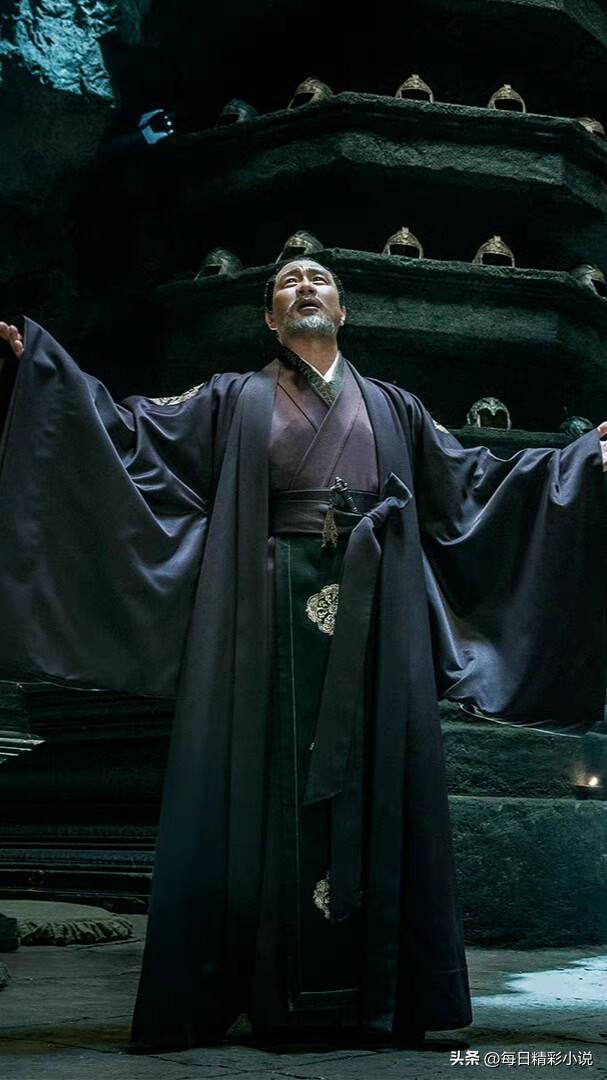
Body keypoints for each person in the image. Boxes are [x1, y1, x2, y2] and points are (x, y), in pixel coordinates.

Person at [0, 258, 606, 1052]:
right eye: (288, 283)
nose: (306, 288)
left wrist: (576, 460)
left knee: (377, 777)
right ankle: (266, 989)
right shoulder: (228, 398)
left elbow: (474, 483)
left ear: (343, 313)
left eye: (319, 280)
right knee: (260, 789)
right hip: (261, 613)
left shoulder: (394, 406)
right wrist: (44, 371)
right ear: (270, 318)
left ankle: (379, 993)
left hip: (379, 608)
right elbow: (127, 434)